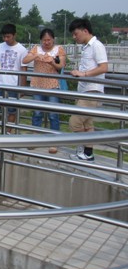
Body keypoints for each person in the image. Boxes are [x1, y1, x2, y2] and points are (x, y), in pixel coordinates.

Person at [68, 18, 108, 162]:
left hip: (92, 91)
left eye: (76, 34)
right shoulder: (86, 47)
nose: (74, 37)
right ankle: (87, 153)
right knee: (87, 124)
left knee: (74, 122)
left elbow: (104, 67)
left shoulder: (97, 46)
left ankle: (82, 149)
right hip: (85, 90)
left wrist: (83, 74)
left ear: (85, 31)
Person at [22, 29, 66, 152]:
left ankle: (54, 141)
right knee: (37, 113)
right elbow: (24, 60)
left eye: (49, 40)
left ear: (53, 39)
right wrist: (35, 56)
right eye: (44, 40)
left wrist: (52, 62)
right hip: (37, 85)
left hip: (53, 85)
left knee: (53, 114)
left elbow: (61, 65)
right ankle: (35, 138)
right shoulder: (36, 49)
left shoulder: (59, 49)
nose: (46, 42)